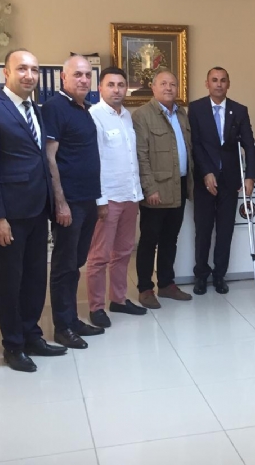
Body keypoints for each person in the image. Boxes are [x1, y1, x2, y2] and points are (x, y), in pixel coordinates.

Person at [0, 49, 66, 373]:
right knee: (11, 281)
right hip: (10, 213)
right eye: (22, 68)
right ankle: (13, 344)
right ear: (6, 73)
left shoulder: (35, 108)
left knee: (35, 277)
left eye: (34, 70)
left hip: (38, 208)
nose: (29, 75)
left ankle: (32, 335)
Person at [42, 55, 104, 349]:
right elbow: (49, 157)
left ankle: (72, 318)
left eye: (88, 75)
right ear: (63, 78)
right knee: (65, 265)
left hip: (87, 199)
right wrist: (61, 203)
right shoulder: (55, 108)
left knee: (77, 262)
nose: (83, 79)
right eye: (77, 74)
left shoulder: (85, 109)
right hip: (70, 202)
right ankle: (63, 327)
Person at [86, 67, 148, 325]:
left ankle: (119, 300)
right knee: (99, 256)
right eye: (110, 85)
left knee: (123, 252)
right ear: (100, 88)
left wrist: (137, 193)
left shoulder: (127, 117)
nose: (116, 90)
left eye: (121, 85)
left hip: (130, 195)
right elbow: (94, 161)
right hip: (108, 198)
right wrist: (99, 200)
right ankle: (96, 307)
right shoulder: (94, 116)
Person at [188, 66, 255, 295]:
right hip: (204, 180)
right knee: (203, 230)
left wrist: (250, 176)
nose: (219, 84)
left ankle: (220, 275)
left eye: (223, 80)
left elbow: (249, 145)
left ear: (229, 84)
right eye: (214, 80)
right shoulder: (196, 109)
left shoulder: (239, 110)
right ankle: (201, 275)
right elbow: (195, 144)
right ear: (207, 84)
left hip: (230, 180)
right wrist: (206, 172)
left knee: (225, 231)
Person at [133, 70, 194, 309]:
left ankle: (167, 284)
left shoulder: (181, 113)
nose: (169, 88)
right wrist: (149, 188)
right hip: (156, 190)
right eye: (164, 83)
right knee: (149, 240)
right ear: (153, 87)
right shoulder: (142, 115)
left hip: (178, 186)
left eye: (173, 84)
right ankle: (145, 288)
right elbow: (141, 155)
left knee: (171, 238)